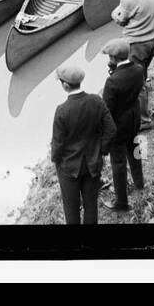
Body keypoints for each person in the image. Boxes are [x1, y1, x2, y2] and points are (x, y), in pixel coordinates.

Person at [49, 64, 116, 226]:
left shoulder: (62, 111)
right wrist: (102, 150)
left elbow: (57, 144)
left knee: (71, 209)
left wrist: (55, 160)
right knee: (91, 206)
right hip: (92, 165)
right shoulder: (96, 101)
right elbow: (111, 129)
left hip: (69, 169)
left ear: (65, 86)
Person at [110, 0, 154, 129]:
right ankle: (143, 112)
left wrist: (114, 14)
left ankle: (143, 121)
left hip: (138, 44)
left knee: (136, 85)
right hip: (152, 41)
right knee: (141, 79)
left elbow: (121, 20)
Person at [101, 38, 146, 213]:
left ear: (114, 58)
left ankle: (121, 202)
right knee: (136, 153)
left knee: (118, 164)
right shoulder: (138, 70)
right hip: (134, 121)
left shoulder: (112, 81)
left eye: (110, 57)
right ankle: (139, 182)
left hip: (118, 128)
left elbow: (107, 110)